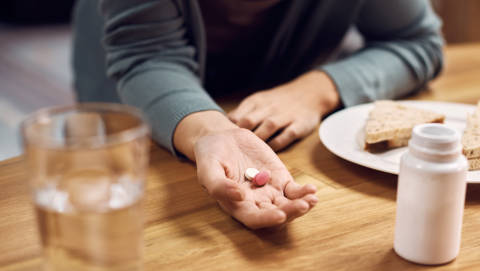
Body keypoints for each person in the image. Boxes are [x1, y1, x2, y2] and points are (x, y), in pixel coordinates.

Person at [72, 0, 444, 229]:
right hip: (135, 111)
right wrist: (210, 132)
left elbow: (418, 42)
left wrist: (316, 90)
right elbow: (146, 58)